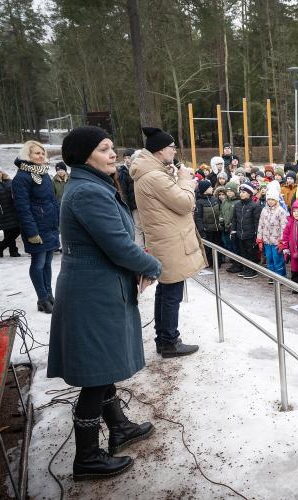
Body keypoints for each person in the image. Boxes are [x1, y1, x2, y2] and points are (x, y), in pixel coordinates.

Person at [47, 126, 162, 481]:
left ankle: (120, 428)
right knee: (96, 376)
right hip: (92, 294)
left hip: (99, 288)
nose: (113, 154)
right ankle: (87, 458)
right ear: (84, 156)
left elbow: (115, 240)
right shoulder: (87, 193)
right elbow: (117, 245)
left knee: (104, 365)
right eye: (104, 149)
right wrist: (153, 265)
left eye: (112, 148)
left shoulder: (90, 186)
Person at [131, 127, 206, 358]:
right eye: (173, 147)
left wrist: (173, 177)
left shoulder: (151, 173)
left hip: (165, 238)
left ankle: (165, 338)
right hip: (170, 241)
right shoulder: (154, 176)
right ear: (162, 150)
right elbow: (184, 203)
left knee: (166, 291)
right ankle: (169, 341)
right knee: (171, 293)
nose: (175, 151)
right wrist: (185, 182)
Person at [12, 140, 60, 313]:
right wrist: (32, 232)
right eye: (36, 153)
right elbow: (22, 208)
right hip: (36, 228)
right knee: (38, 263)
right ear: (27, 155)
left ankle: (49, 295)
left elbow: (51, 201)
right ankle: (42, 299)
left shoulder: (43, 173)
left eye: (42, 153)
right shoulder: (22, 177)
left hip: (49, 226)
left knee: (47, 262)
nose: (41, 156)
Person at [230, 183, 263, 279]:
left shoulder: (255, 206)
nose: (241, 194)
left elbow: (257, 222)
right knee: (243, 252)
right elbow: (234, 219)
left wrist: (256, 235)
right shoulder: (237, 205)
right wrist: (233, 231)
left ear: (249, 193)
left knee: (251, 253)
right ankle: (246, 269)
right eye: (240, 192)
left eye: (244, 192)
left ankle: (252, 271)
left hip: (250, 234)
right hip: (240, 234)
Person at [256, 181, 287, 280]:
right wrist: (259, 238)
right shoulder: (264, 210)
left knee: (277, 259)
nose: (270, 201)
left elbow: (284, 227)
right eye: (268, 199)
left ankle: (280, 276)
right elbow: (261, 224)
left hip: (276, 241)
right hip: (267, 240)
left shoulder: (281, 211)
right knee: (269, 258)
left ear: (277, 200)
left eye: (272, 199)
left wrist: (282, 241)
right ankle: (272, 275)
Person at [280, 200, 298, 287]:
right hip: (293, 251)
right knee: (294, 267)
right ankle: (295, 286)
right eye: (294, 211)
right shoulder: (289, 224)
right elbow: (285, 236)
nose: (296, 213)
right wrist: (285, 248)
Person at [193, 180, 223, 267]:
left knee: (218, 246)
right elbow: (198, 218)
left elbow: (220, 212)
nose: (212, 188)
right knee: (208, 248)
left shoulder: (215, 199)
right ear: (205, 189)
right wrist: (202, 230)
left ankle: (218, 263)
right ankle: (209, 263)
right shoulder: (199, 202)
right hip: (207, 230)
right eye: (209, 187)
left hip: (217, 229)